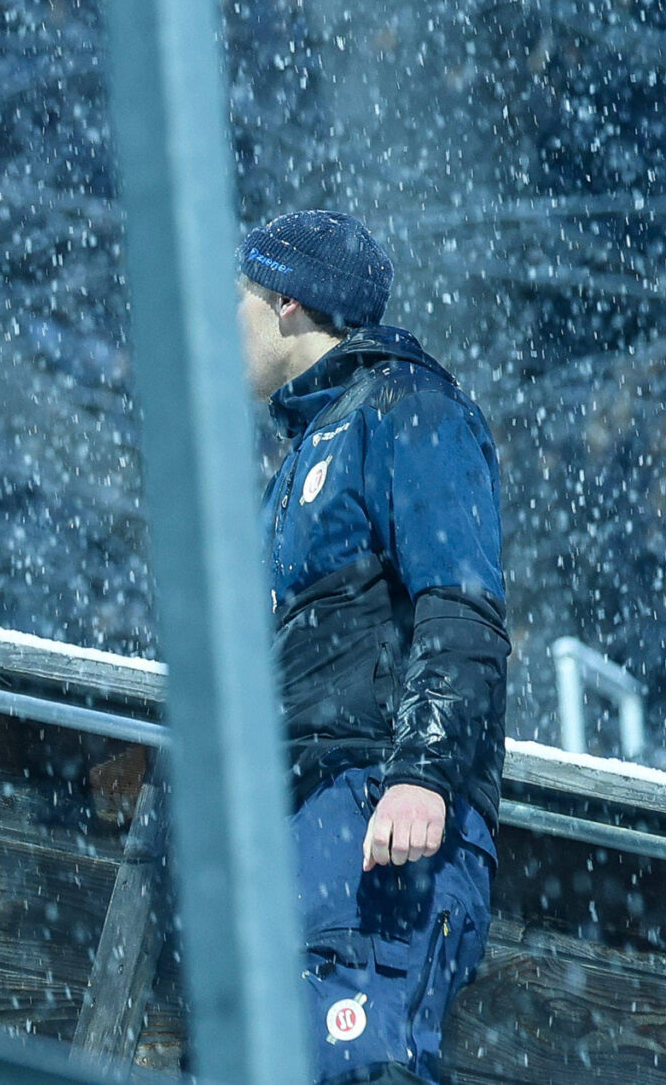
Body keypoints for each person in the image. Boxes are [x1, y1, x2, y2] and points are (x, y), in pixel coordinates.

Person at [236, 211, 507, 1084]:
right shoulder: (302, 452)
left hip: (369, 814)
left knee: (359, 1060)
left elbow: (459, 605)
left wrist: (422, 773)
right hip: (299, 819)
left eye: (234, 298)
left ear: (287, 303)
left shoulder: (407, 409)